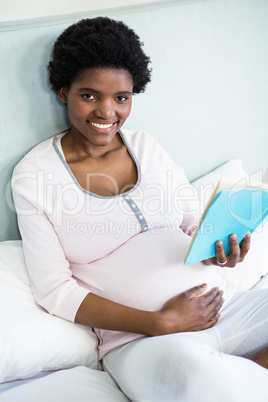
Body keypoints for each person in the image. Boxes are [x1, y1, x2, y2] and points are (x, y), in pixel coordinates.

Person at [12, 17, 268, 401]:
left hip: (224, 308)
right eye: (89, 95)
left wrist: (221, 251)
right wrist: (160, 322)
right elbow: (55, 291)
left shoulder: (146, 145)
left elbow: (190, 224)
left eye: (121, 97)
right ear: (64, 92)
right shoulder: (34, 177)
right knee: (200, 380)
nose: (106, 112)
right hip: (141, 341)